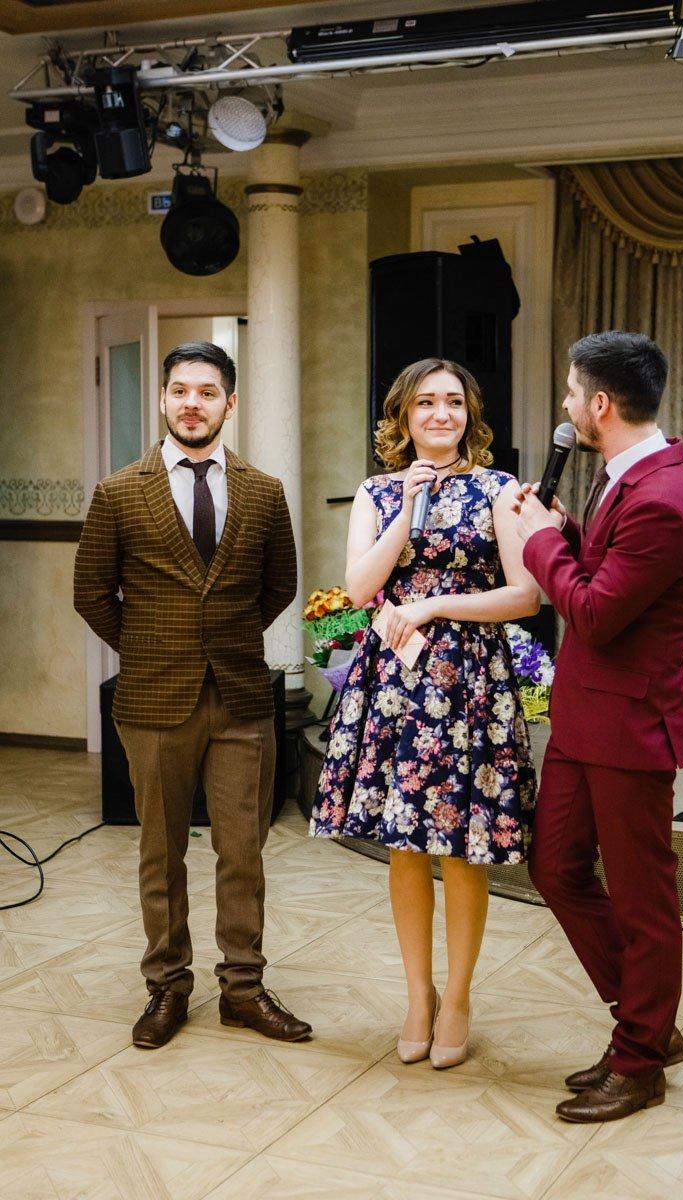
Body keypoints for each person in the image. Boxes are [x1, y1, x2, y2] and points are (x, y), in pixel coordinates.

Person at [74, 341, 312, 1049]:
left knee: (243, 851)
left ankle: (243, 989)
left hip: (241, 696)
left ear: (229, 404)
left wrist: (223, 638)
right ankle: (167, 986)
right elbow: (91, 593)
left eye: (207, 392)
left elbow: (280, 585)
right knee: (161, 852)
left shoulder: (264, 491)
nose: (191, 403)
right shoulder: (119, 491)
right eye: (180, 390)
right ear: (163, 398)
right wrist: (151, 646)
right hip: (154, 699)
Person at [310, 357, 539, 1069]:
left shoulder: (500, 489)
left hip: (470, 681)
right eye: (426, 403)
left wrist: (435, 604)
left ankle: (459, 997)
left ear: (471, 415)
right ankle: (419, 996)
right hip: (395, 684)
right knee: (405, 843)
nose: (442, 415)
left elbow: (526, 596)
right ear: (403, 418)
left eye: (454, 403)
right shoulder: (377, 492)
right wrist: (406, 510)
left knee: (463, 845)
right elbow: (359, 589)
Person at [515, 330, 683, 1122]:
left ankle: (640, 1061)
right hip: (583, 719)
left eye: (572, 394)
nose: (566, 406)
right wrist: (567, 533)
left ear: (599, 404)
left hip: (629, 728)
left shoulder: (664, 498)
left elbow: (596, 613)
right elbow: (605, 571)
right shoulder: (624, 475)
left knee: (642, 902)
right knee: (555, 867)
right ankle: (647, 1022)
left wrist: (538, 543)